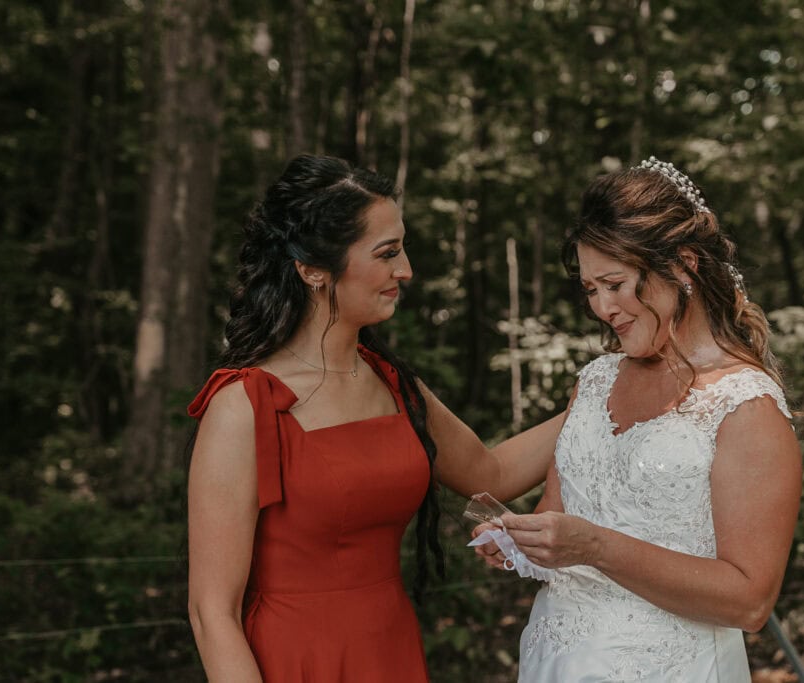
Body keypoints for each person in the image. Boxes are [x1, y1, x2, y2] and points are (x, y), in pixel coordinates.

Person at [185, 154, 564, 682]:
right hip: (296, 660)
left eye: (401, 248)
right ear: (314, 269)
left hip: (390, 650)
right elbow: (211, 613)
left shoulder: (393, 383)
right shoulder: (244, 405)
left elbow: (490, 474)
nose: (405, 270)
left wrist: (598, 400)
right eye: (387, 254)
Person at [473, 157, 802, 681]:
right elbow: (559, 519)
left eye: (615, 283)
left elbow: (749, 602)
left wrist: (594, 546)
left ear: (683, 265)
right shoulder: (596, 381)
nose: (602, 307)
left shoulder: (745, 405)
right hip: (555, 661)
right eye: (589, 289)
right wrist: (522, 541)